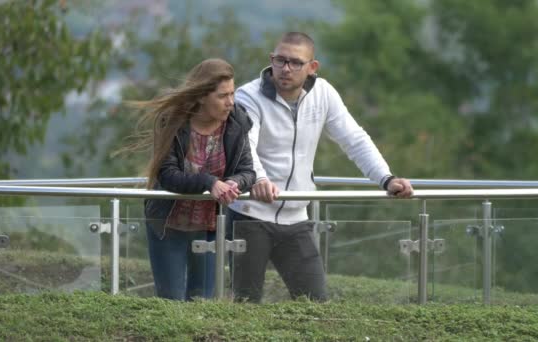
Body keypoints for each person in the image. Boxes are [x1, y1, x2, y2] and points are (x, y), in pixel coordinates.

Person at [227, 32, 413, 303]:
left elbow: (354, 138)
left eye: (295, 62)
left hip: (296, 217)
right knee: (245, 305)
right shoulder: (248, 95)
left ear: (312, 67)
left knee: (316, 304)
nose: (285, 68)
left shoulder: (323, 93)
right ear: (271, 60)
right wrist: (260, 180)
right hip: (249, 214)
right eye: (280, 60)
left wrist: (386, 178)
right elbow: (245, 145)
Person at [134, 58, 255, 301]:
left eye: (232, 94)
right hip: (168, 225)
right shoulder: (173, 121)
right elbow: (167, 174)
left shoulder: (237, 122)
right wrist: (209, 182)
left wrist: (235, 183)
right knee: (170, 302)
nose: (230, 102)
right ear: (201, 97)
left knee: (203, 302)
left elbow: (248, 171)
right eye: (222, 96)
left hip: (211, 226)